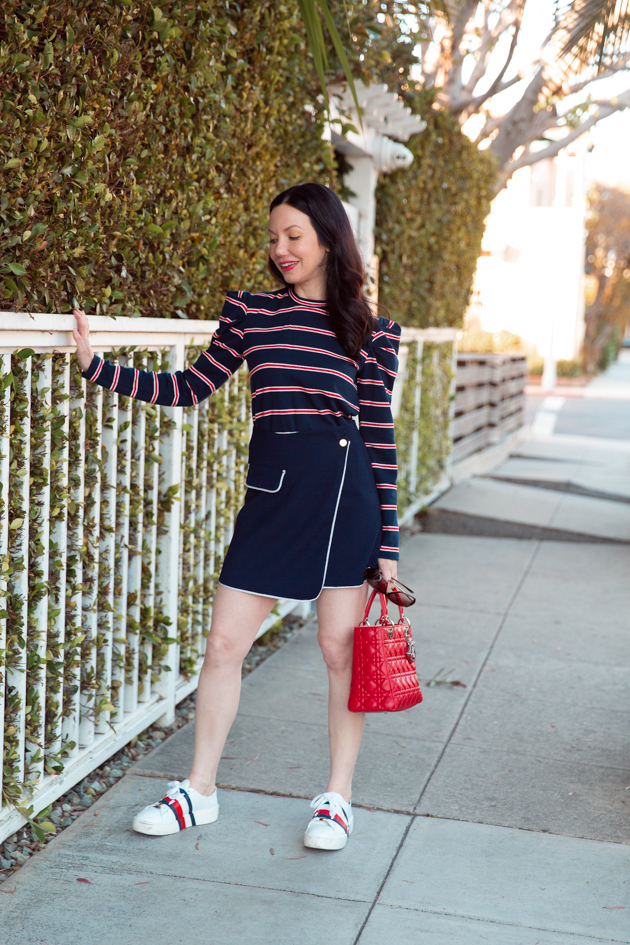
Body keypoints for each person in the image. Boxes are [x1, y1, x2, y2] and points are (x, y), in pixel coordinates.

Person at [72, 182, 400, 851]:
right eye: (273, 236)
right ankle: (199, 789)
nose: (279, 248)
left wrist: (388, 544)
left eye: (294, 236)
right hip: (273, 498)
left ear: (329, 240)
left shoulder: (373, 331)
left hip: (346, 501)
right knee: (224, 645)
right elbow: (192, 386)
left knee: (340, 652)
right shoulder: (251, 312)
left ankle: (336, 799)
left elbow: (381, 441)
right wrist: (98, 368)